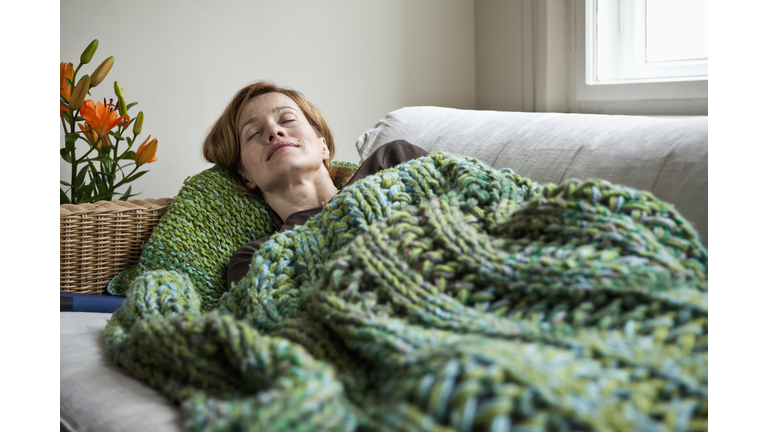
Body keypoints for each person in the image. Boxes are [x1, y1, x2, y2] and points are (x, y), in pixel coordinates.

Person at [202, 81, 428, 287]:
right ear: (246, 176)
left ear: (323, 146)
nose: (274, 131)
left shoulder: (391, 161)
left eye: (287, 119)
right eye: (253, 133)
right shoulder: (255, 257)